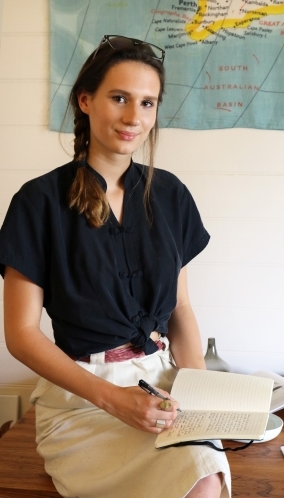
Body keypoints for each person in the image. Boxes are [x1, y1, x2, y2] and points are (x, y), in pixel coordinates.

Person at [0, 35, 231, 498]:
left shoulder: (170, 196)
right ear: (85, 101)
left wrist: (201, 394)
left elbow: (180, 310)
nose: (134, 117)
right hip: (82, 401)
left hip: (167, 386)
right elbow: (21, 336)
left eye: (148, 103)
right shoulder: (37, 203)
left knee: (205, 476)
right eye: (120, 98)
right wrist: (114, 400)